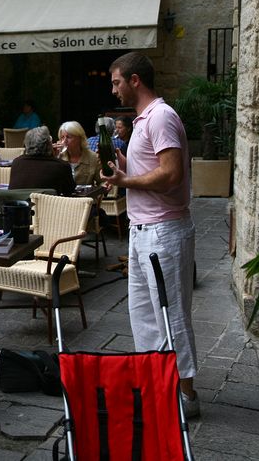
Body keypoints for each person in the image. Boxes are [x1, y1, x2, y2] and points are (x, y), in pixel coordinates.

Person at [101, 52, 198, 417]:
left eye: (116, 82)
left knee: (171, 315)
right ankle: (157, 385)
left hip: (165, 231)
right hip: (141, 232)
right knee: (142, 315)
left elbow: (171, 173)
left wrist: (125, 180)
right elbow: (147, 168)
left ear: (135, 80)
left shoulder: (161, 116)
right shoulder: (141, 121)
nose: (114, 90)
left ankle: (186, 397)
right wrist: (120, 166)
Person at [9, 126, 74, 196]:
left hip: (19, 205)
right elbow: (69, 191)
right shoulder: (62, 166)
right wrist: (55, 158)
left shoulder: (17, 163)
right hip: (48, 206)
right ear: (48, 145)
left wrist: (52, 157)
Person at [56, 121, 101, 186]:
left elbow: (102, 181)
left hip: (85, 195)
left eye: (68, 137)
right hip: (62, 196)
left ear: (80, 138)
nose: (64, 141)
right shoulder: (59, 157)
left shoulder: (93, 158)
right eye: (62, 137)